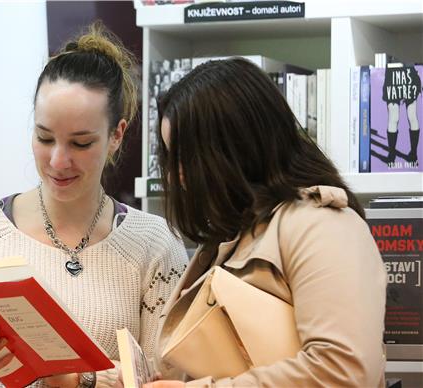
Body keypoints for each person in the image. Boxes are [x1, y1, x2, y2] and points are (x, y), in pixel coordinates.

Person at [0, 22, 188, 388]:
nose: (58, 161)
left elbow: (168, 376)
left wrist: (79, 378)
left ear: (117, 134)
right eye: (44, 137)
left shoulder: (155, 243)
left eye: (81, 143)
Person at [145, 58, 387, 387]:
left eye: (184, 157)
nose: (176, 176)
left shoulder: (322, 226)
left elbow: (343, 371)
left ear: (233, 149)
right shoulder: (229, 235)